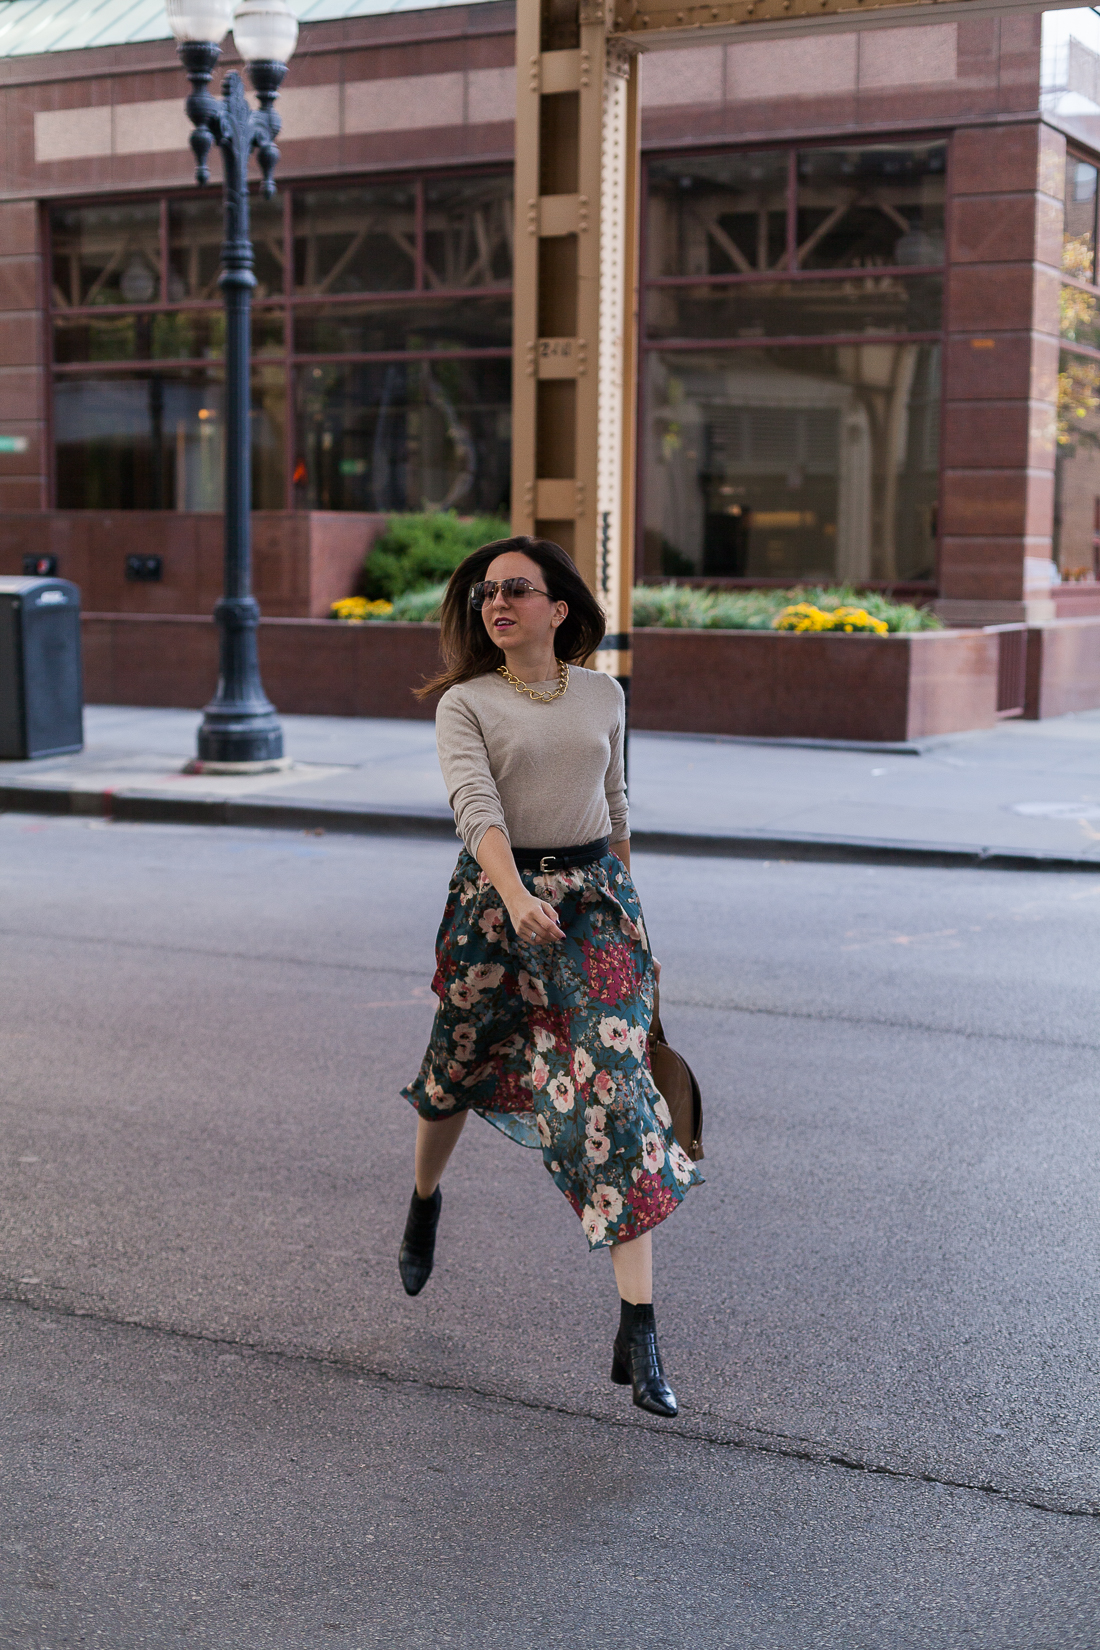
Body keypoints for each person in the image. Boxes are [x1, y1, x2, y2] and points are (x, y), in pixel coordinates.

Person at [399, 535, 702, 1417]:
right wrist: (515, 894)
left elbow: (615, 810)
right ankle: (424, 1200)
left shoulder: (605, 694)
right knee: (455, 1072)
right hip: (496, 907)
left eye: (518, 591)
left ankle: (638, 1328)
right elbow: (475, 809)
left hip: (594, 912)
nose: (497, 603)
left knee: (613, 1095)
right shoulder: (467, 702)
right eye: (488, 592)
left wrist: (627, 911)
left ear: (558, 608)